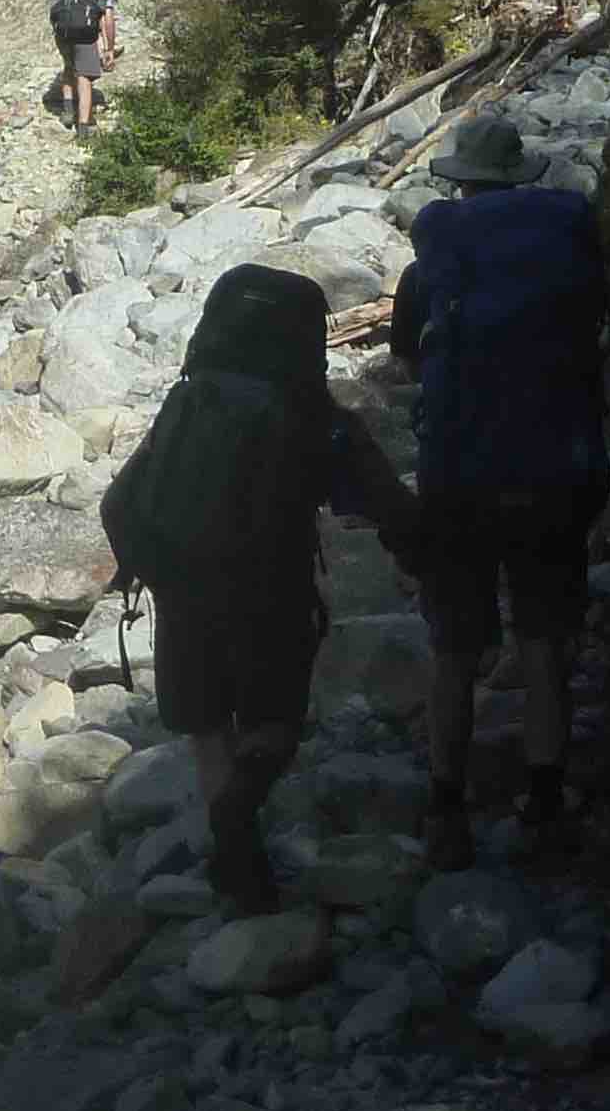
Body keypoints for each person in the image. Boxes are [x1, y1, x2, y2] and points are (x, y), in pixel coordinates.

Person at [136, 263, 413, 915]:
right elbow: (383, 503)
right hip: (271, 593)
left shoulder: (189, 403)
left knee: (207, 726)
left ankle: (238, 861)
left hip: (181, 590)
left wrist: (149, 571)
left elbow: (124, 500)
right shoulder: (316, 417)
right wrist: (427, 556)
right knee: (275, 726)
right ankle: (240, 812)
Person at [388, 112, 610, 865]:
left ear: (461, 183)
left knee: (455, 650)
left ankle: (447, 810)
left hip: (461, 478)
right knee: (544, 643)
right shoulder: (566, 252)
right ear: (519, 178)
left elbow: (410, 363)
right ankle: (544, 804)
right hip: (555, 469)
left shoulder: (432, 267)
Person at [47, 0, 108, 133]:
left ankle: (67, 111)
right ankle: (84, 126)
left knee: (69, 67)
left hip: (63, 23)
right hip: (85, 25)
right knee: (85, 75)